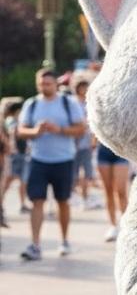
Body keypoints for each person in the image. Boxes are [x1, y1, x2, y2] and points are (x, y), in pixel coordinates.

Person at [17, 69, 86, 259]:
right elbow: (21, 130)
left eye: (48, 83)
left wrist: (60, 130)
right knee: (36, 200)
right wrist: (35, 132)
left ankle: (64, 240)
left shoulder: (68, 103)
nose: (44, 87)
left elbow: (82, 128)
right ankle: (35, 244)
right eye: (41, 84)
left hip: (63, 159)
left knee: (62, 201)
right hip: (38, 159)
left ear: (56, 84)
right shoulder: (31, 104)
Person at [72, 76, 101, 211]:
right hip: (72, 143)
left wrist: (94, 139)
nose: (83, 90)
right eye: (81, 87)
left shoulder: (90, 103)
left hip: (87, 143)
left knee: (87, 173)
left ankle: (84, 197)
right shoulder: (72, 104)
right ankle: (76, 195)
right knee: (74, 173)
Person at [96, 137, 130, 242]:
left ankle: (126, 226)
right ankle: (113, 226)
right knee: (108, 191)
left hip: (121, 150)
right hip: (103, 151)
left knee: (121, 192)